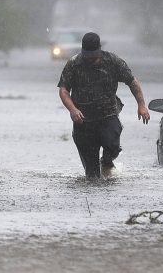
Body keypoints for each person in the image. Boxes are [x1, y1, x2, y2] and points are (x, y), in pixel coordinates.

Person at [57, 32, 150, 178]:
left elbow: (132, 82)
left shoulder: (113, 61)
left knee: (112, 146)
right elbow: (63, 90)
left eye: (93, 54)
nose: (90, 58)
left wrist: (141, 105)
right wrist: (72, 109)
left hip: (108, 115)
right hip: (82, 119)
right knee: (92, 174)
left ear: (100, 49)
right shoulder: (74, 64)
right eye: (87, 55)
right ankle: (93, 183)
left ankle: (106, 162)